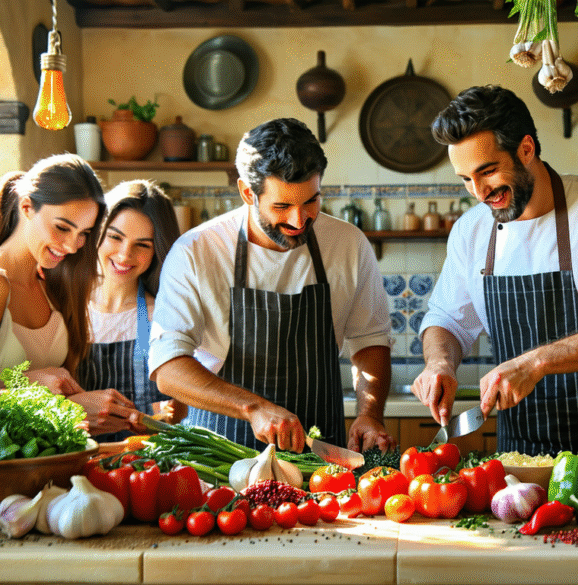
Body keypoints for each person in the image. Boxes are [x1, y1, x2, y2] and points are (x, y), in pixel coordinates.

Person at [412, 85, 578, 455]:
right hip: (517, 455)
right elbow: (447, 319)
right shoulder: (472, 230)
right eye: (466, 179)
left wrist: (535, 363)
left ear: (526, 150)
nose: (479, 192)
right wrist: (439, 363)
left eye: (488, 171)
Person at [149, 118, 395, 453]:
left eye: (311, 201)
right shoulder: (196, 251)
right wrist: (253, 408)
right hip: (223, 453)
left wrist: (370, 413)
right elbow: (168, 368)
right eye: (282, 206)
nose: (299, 220)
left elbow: (369, 339)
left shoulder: (348, 244)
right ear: (247, 192)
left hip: (320, 453)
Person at [0, 153, 137, 436]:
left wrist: (78, 409)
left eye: (84, 233)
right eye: (62, 227)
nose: (72, 245)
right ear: (27, 207)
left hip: (33, 464)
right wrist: (43, 393)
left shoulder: (50, 285)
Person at [75, 180, 186, 441]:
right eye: (115, 237)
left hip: (142, 466)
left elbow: (179, 412)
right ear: (96, 234)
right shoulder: (65, 309)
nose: (125, 255)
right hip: (73, 459)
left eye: (143, 245)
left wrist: (168, 415)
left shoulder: (163, 315)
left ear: (158, 251)